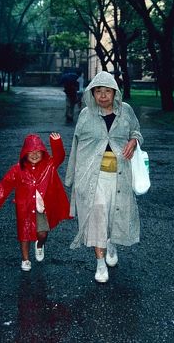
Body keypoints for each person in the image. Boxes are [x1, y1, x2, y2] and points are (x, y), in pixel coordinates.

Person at [65, 71, 143, 283]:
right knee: (98, 213)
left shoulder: (126, 111)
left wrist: (133, 142)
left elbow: (136, 131)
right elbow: (76, 146)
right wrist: (71, 177)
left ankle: (111, 243)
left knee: (114, 214)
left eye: (107, 91)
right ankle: (100, 263)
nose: (102, 96)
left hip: (120, 175)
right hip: (93, 176)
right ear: (92, 93)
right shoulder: (85, 115)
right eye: (98, 91)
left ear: (114, 93)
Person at [0, 133, 71, 271]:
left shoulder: (49, 165)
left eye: (38, 152)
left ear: (43, 152)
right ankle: (25, 259)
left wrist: (56, 142)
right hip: (25, 207)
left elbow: (59, 157)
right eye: (30, 152)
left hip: (41, 208)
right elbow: (5, 185)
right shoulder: (17, 169)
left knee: (42, 233)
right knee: (24, 234)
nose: (35, 155)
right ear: (24, 153)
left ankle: (39, 245)